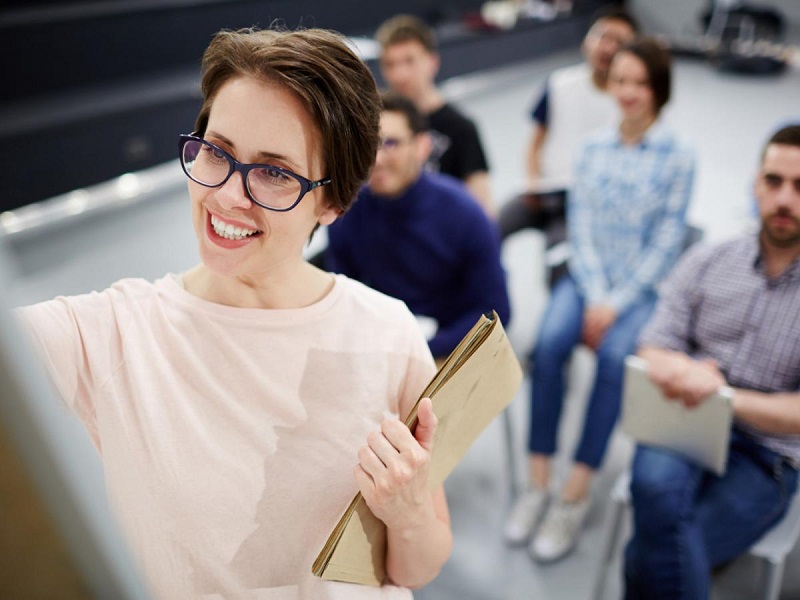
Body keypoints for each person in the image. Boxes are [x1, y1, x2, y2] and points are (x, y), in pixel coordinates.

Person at [16, 27, 452, 599]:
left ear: (332, 201)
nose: (226, 195)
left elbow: (417, 567)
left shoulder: (388, 332)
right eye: (217, 151)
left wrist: (409, 509)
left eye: (274, 172)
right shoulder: (108, 336)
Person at [503, 37, 695, 562]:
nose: (629, 92)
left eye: (641, 83)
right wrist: (593, 291)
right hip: (587, 280)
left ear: (659, 90)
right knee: (548, 344)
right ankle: (538, 480)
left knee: (615, 361)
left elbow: (666, 242)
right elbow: (579, 227)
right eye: (622, 81)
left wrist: (615, 302)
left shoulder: (679, 156)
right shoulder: (591, 149)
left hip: (640, 290)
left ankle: (575, 492)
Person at [624, 123, 800, 600]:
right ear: (755, 183)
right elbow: (653, 345)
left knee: (656, 548)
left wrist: (724, 395)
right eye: (773, 181)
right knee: (658, 500)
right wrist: (688, 372)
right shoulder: (708, 260)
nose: (785, 198)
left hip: (768, 456)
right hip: (685, 416)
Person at [325, 92, 510, 360]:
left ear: (422, 147)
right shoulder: (347, 211)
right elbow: (343, 298)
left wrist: (423, 348)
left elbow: (495, 309)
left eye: (391, 143)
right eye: (369, 144)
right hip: (383, 344)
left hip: (450, 346)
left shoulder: (463, 213)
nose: (377, 159)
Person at [497, 5, 639, 281]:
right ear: (588, 39)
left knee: (559, 261)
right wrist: (531, 180)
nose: (607, 47)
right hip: (541, 190)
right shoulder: (559, 84)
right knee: (490, 228)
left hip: (582, 203)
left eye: (619, 42)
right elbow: (535, 142)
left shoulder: (628, 102)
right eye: (602, 37)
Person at [375, 14, 494, 217]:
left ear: (432, 61)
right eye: (390, 64)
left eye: (409, 61)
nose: (399, 74)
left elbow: (483, 209)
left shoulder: (460, 128)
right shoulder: (374, 124)